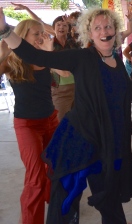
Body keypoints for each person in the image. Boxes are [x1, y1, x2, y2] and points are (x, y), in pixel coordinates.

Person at [0, 7, 132, 224]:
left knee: (110, 203)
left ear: (115, 30)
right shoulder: (81, 58)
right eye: (97, 28)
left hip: (107, 144)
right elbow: (35, 55)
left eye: (107, 26)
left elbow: (124, 100)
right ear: (90, 34)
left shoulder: (116, 62)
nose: (103, 31)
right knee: (66, 205)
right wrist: (4, 30)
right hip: (79, 142)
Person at [0, 19, 62, 224]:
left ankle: (53, 207)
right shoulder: (12, 60)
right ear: (22, 36)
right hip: (27, 125)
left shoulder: (45, 57)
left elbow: (65, 73)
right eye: (36, 34)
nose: (41, 37)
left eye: (43, 33)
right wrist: (3, 54)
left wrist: (49, 51)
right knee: (35, 177)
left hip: (51, 120)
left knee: (56, 171)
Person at [51, 15, 80, 121]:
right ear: (53, 28)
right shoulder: (50, 45)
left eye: (64, 25)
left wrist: (72, 23)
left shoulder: (73, 43)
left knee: (78, 120)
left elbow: (84, 35)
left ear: (68, 29)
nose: (61, 27)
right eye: (58, 25)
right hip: (59, 90)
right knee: (61, 120)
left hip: (77, 87)